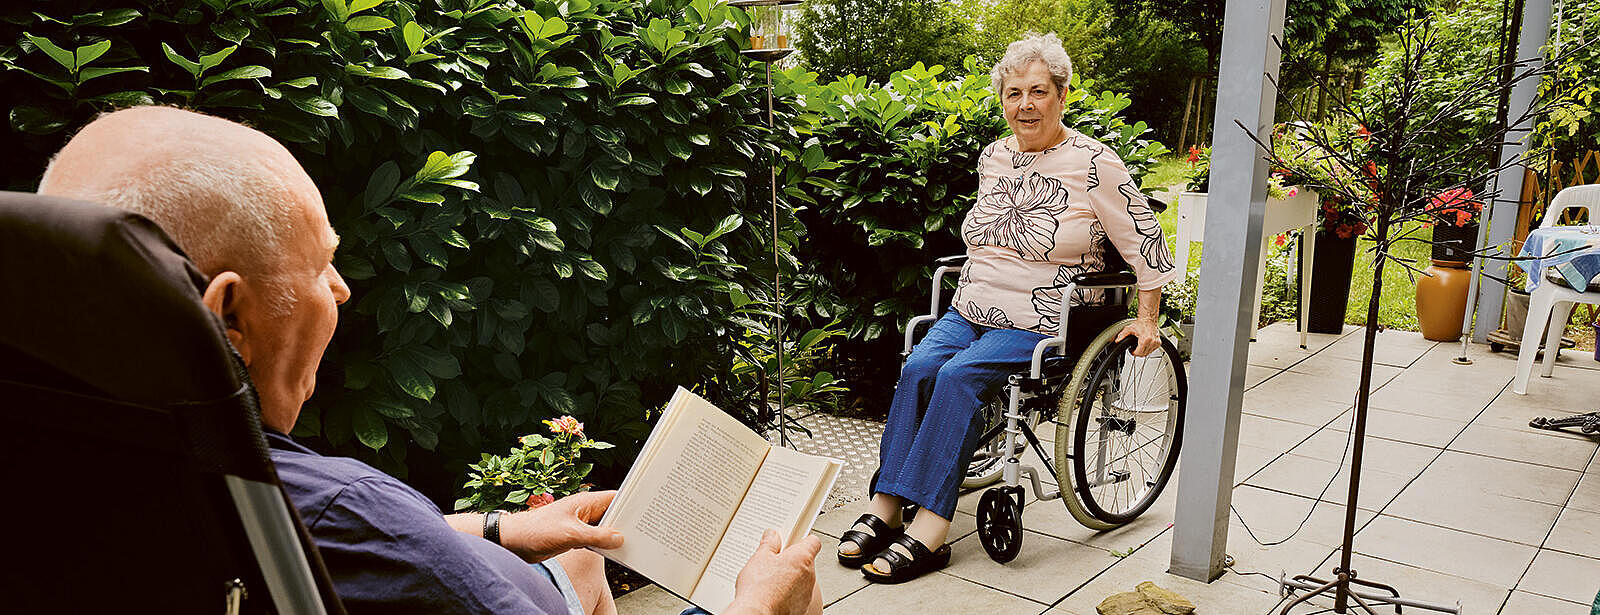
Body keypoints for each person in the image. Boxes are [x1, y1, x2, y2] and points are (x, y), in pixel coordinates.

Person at [37, 105, 823, 615]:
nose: (341, 290)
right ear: (227, 316)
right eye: (320, 267)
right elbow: (360, 538)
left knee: (582, 568)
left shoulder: (74, 459)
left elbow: (338, 549)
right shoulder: (342, 509)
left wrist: (503, 527)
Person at [834, 33, 1179, 584]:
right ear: (1003, 99)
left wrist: (1147, 317)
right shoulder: (993, 156)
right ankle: (886, 505)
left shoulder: (1095, 162)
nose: (1025, 105)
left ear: (1062, 95)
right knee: (919, 367)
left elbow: (1144, 234)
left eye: (1038, 92)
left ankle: (930, 527)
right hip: (972, 303)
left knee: (957, 376)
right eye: (1013, 93)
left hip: (1042, 312)